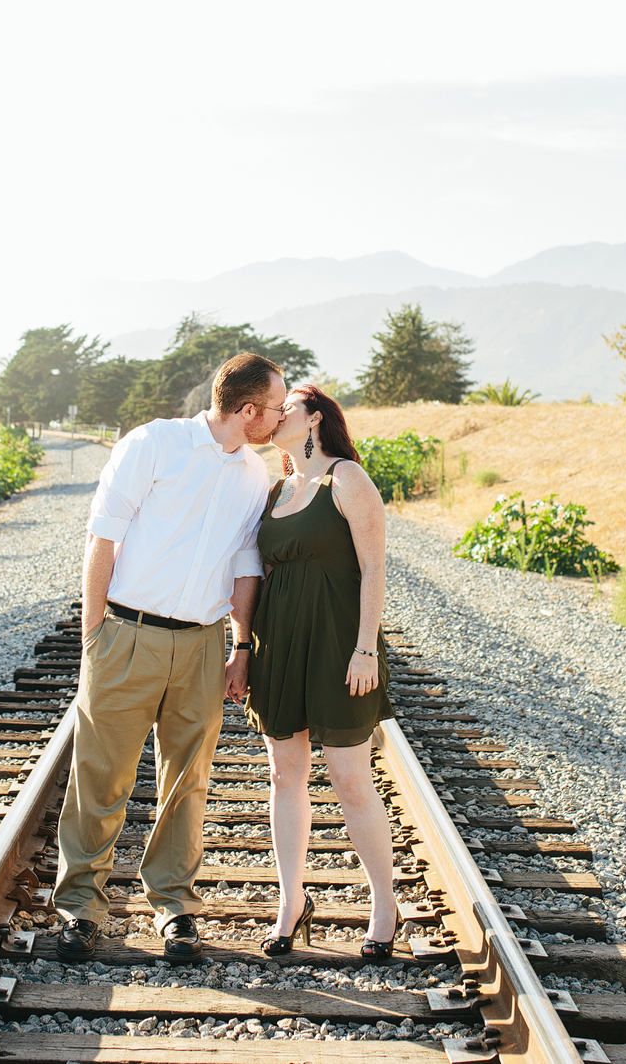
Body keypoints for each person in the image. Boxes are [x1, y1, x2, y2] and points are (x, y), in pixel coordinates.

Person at [51, 352, 288, 964]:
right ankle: (80, 909)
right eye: (276, 405)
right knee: (101, 774)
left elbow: (243, 565)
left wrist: (240, 646)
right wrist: (94, 633)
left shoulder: (252, 477)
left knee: (188, 781)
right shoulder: (153, 445)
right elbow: (102, 535)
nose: (281, 414)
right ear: (247, 410)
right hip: (127, 633)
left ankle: (175, 908)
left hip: (203, 645)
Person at [243, 383, 398, 959]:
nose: (276, 415)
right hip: (279, 644)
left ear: (313, 420)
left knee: (352, 779)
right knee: (286, 775)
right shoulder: (277, 487)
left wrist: (365, 648)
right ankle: (291, 900)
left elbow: (374, 566)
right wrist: (244, 650)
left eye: (287, 407)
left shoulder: (347, 479)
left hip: (337, 645)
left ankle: (384, 904)